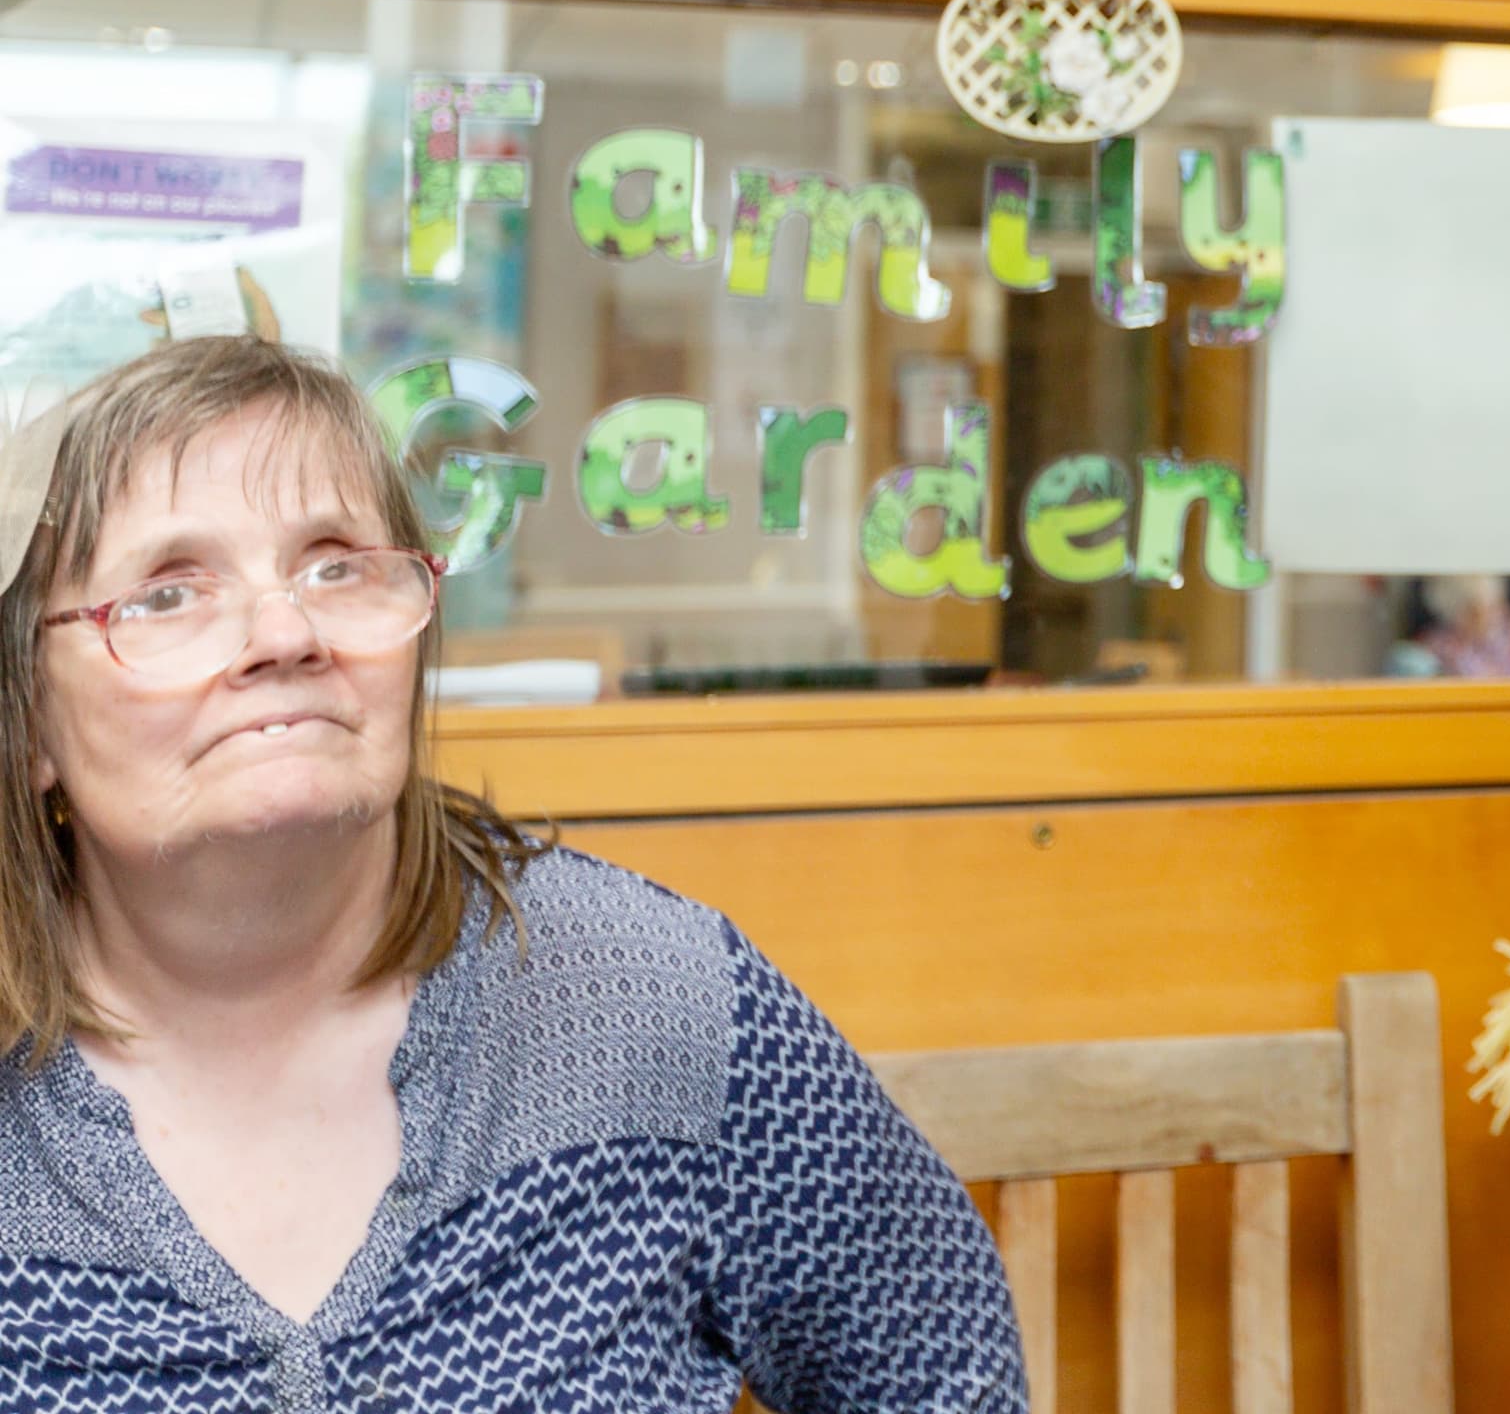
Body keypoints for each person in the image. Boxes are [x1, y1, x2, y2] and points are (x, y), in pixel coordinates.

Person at [0, 334, 1022, 1412]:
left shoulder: (649, 997)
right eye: (168, 591)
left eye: (338, 563)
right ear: (29, 726)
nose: (285, 631)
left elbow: (941, 1368)